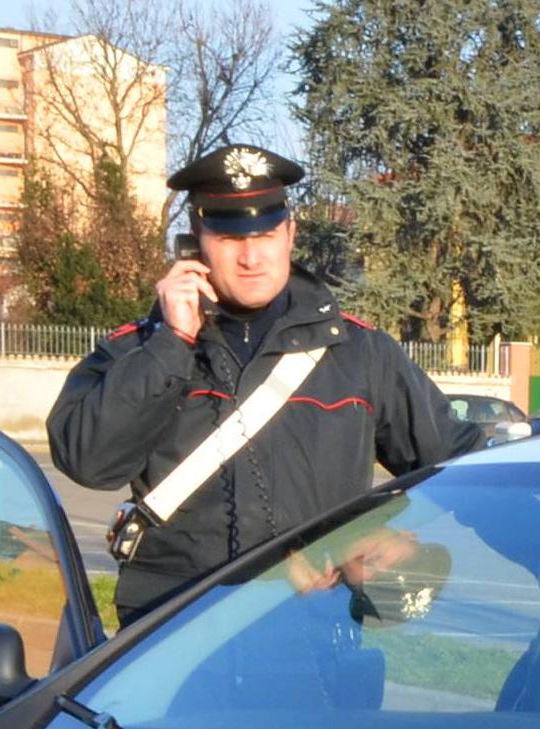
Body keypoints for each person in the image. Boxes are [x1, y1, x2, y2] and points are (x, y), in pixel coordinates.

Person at [48, 142, 482, 626]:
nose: (252, 256)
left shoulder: (360, 353)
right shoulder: (142, 351)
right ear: (194, 241)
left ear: (290, 234)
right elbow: (86, 461)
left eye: (267, 233)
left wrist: (383, 535)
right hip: (172, 638)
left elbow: (467, 469)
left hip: (308, 632)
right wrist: (172, 343)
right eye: (231, 238)